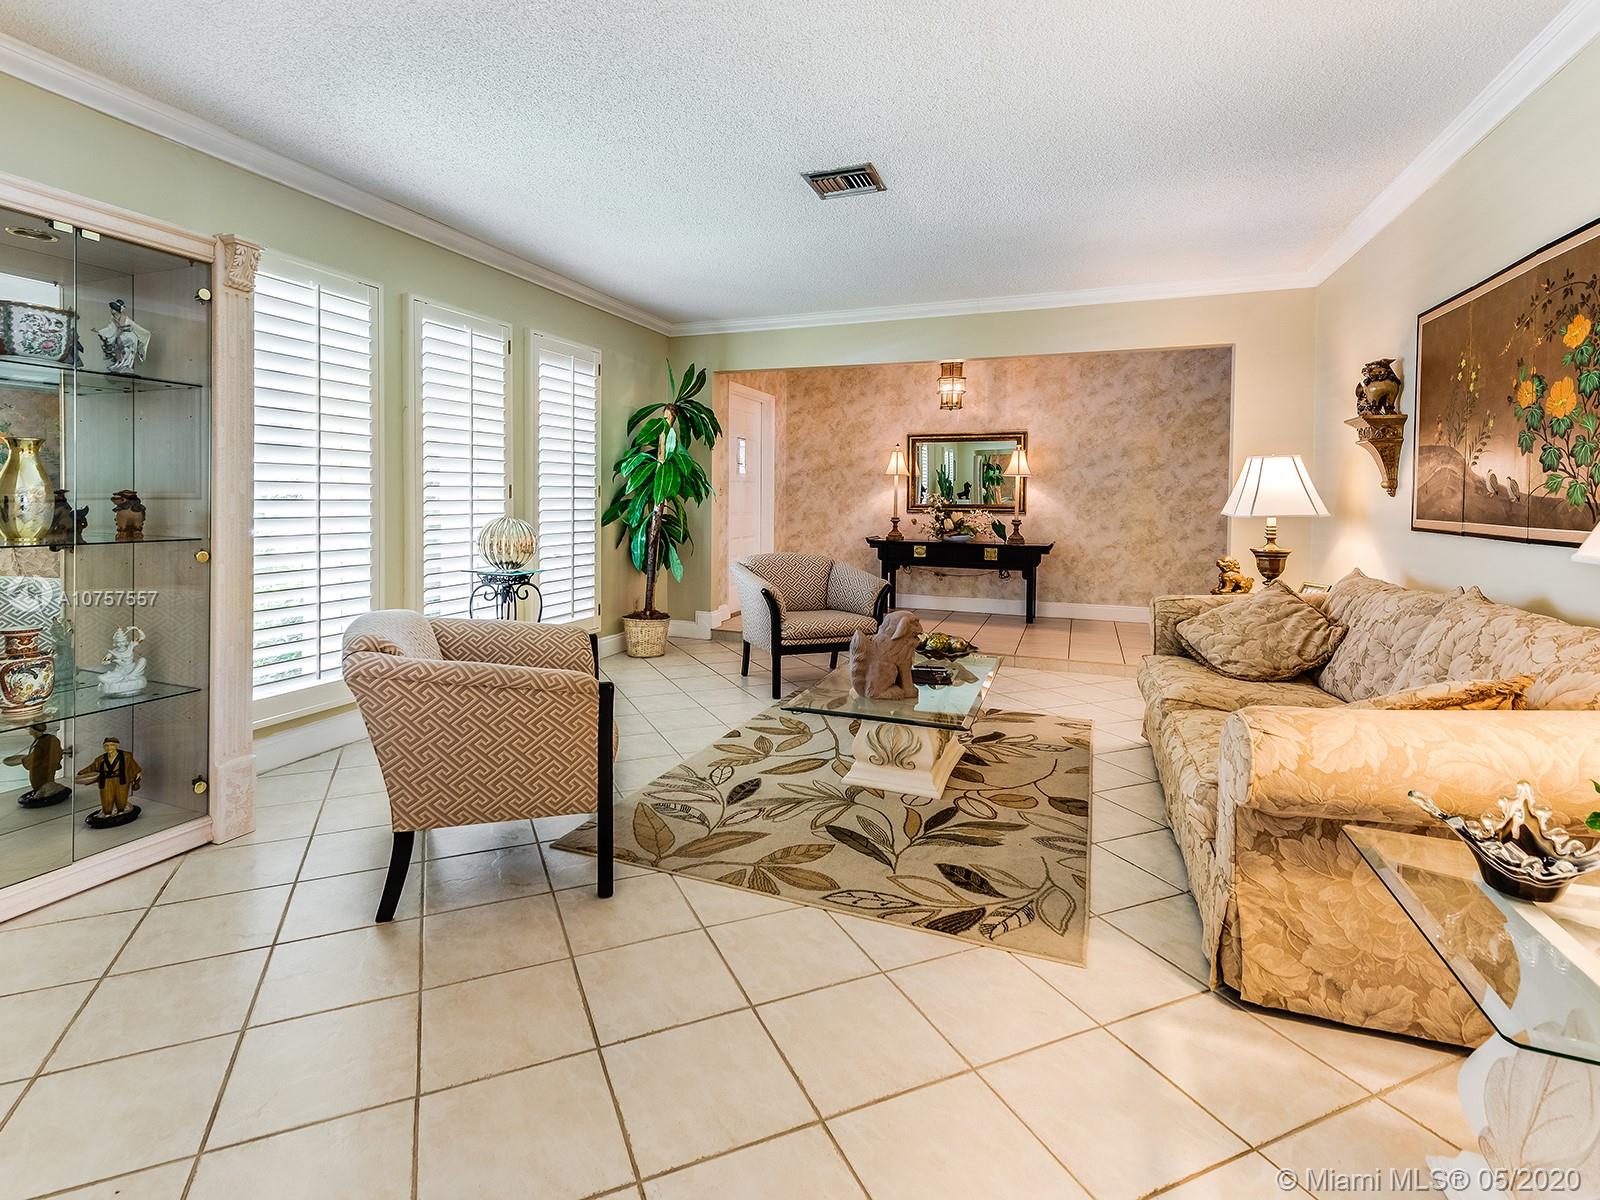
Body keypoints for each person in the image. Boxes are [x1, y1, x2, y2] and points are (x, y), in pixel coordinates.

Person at [74, 736, 141, 824]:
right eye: (107, 746)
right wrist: (82, 773)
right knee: (106, 798)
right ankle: (107, 813)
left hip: (121, 780)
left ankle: (121, 811)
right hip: (106, 781)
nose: (109, 748)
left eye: (112, 745)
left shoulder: (126, 756)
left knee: (121, 798)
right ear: (104, 747)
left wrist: (137, 778)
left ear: (117, 746)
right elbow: (92, 767)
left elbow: (134, 767)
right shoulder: (100, 759)